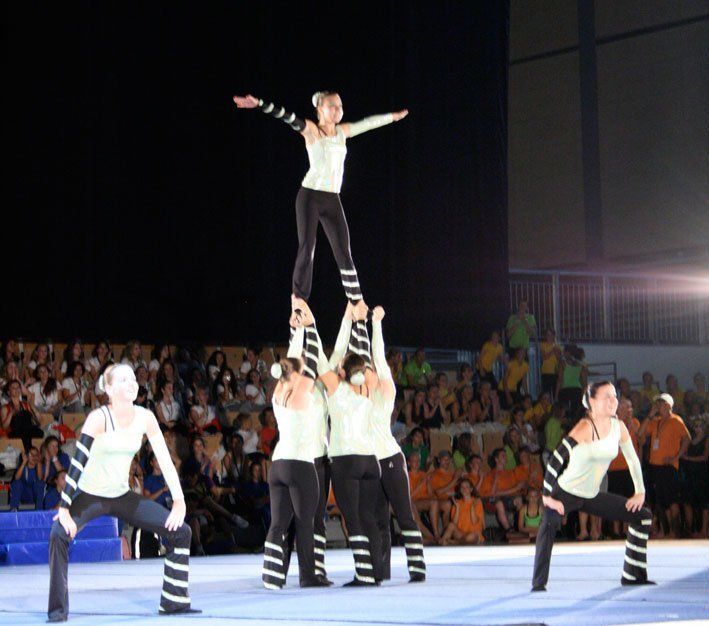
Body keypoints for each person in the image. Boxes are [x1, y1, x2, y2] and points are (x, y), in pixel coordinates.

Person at [48, 363, 199, 621]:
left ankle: (174, 602)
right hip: (90, 495)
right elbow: (77, 463)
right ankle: (57, 612)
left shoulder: (145, 417)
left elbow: (165, 460)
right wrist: (64, 507)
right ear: (108, 388)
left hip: (122, 495)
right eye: (123, 380)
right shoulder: (98, 418)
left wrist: (179, 501)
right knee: (58, 534)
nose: (130, 383)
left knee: (181, 531)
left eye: (132, 379)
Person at [233, 91, 407, 309]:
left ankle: (356, 300)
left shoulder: (342, 132)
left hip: (332, 198)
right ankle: (299, 298)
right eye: (332, 106)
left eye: (340, 106)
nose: (337, 110)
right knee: (308, 247)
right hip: (310, 196)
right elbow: (287, 116)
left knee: (344, 250)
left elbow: (367, 124)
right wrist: (259, 103)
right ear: (320, 109)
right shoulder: (312, 130)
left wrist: (392, 117)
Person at [532, 381, 652, 591]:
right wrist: (547, 497)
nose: (613, 401)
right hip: (566, 492)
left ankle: (633, 575)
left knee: (642, 516)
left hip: (592, 495)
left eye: (615, 396)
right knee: (549, 523)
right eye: (607, 396)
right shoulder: (585, 427)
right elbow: (555, 459)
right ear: (593, 402)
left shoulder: (619, 427)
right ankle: (538, 583)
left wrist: (640, 492)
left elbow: (633, 460)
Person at [261, 303, 330, 589]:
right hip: (300, 464)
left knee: (278, 523)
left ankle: (271, 576)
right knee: (305, 522)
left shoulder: (278, 392)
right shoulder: (303, 390)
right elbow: (309, 360)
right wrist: (309, 327)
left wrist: (296, 331)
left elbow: (292, 362)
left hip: (277, 464)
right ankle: (308, 576)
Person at [318, 302, 383, 586]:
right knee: (368, 516)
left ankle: (364, 573)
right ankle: (376, 571)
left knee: (353, 518)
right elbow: (370, 359)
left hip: (347, 460)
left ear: (343, 371)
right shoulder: (369, 387)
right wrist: (365, 324)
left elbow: (330, 356)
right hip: (370, 460)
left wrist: (347, 320)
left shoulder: (336, 389)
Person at [367, 306, 426, 582]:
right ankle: (381, 571)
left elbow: (378, 355)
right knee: (380, 519)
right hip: (372, 464)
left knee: (404, 515)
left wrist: (376, 324)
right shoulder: (360, 396)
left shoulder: (386, 389)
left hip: (390, 458)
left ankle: (417, 568)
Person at [638, 393, 691, 538]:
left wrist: (676, 457)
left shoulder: (676, 420)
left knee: (672, 500)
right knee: (661, 501)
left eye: (659, 403)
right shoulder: (656, 421)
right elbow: (640, 433)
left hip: (669, 467)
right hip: (655, 467)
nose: (656, 406)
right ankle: (667, 531)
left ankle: (675, 531)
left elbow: (687, 438)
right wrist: (650, 415)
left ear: (667, 405)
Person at [441, 478, 484, 545]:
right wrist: (457, 508)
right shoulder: (457, 503)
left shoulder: (477, 501)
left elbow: (474, 522)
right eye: (462, 487)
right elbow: (454, 523)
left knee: (470, 537)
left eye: (466, 487)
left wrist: (472, 507)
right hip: (460, 534)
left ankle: (454, 542)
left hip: (473, 534)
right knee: (451, 525)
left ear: (471, 489)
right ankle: (443, 542)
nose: (464, 489)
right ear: (460, 489)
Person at [9, 446, 44, 510]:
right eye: (32, 455)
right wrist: (24, 462)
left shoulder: (40, 466)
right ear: (27, 456)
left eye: (36, 455)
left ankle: (39, 510)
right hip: (23, 495)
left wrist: (39, 463)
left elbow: (40, 478)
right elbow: (16, 478)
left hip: (34, 495)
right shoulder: (23, 467)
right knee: (17, 483)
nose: (34, 457)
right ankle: (14, 509)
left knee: (40, 484)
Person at [539, 329, 561, 399]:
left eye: (551, 335)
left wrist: (556, 351)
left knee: (555, 393)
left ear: (554, 336)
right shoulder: (543, 345)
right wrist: (552, 351)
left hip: (555, 372)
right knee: (546, 393)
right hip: (546, 372)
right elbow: (544, 357)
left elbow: (559, 358)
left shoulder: (557, 345)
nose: (549, 336)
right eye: (547, 335)